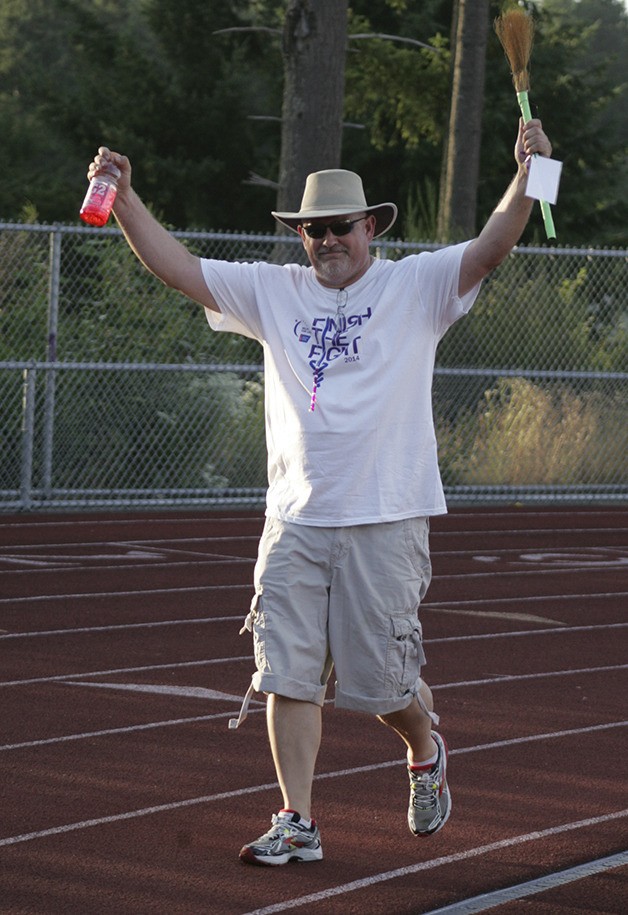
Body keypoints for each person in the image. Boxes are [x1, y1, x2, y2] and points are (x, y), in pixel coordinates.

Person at [87, 117, 552, 866]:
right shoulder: (274, 292)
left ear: (370, 226)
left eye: (341, 227)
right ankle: (296, 819)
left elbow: (497, 241)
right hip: (295, 518)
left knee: (380, 685)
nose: (328, 240)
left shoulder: (417, 284)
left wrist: (536, 173)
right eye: (313, 230)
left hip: (386, 516)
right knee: (288, 672)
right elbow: (179, 269)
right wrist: (128, 200)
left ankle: (426, 748)